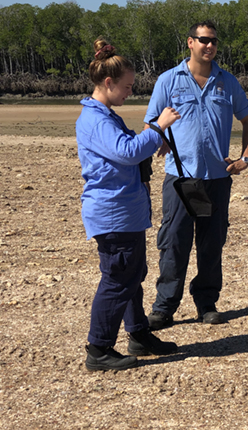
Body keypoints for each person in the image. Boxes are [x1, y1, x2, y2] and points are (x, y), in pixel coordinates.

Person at [77, 38, 181, 371]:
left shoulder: (106, 117)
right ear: (107, 83)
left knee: (133, 274)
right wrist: (157, 127)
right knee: (118, 279)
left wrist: (153, 141)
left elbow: (126, 151)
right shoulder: (96, 120)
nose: (129, 93)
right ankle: (99, 348)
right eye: (126, 86)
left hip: (125, 213)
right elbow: (126, 152)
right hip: (113, 214)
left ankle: (138, 334)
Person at [145, 21, 248, 329]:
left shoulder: (227, 82)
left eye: (214, 42)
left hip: (217, 179)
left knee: (212, 243)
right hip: (180, 179)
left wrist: (244, 157)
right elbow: (150, 123)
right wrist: (160, 137)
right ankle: (164, 306)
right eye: (204, 40)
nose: (209, 46)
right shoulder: (169, 80)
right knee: (174, 242)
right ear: (190, 42)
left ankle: (206, 302)